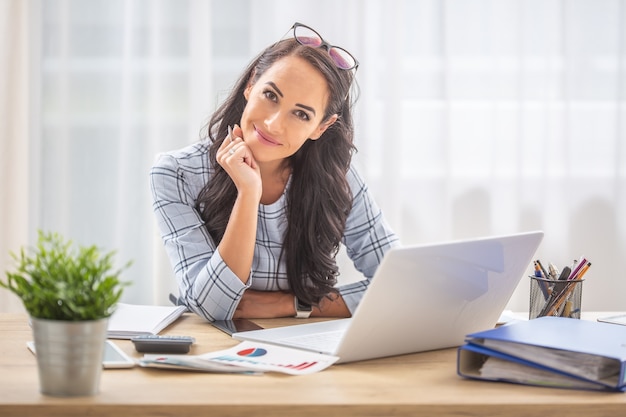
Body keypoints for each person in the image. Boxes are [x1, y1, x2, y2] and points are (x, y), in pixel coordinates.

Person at [150, 22, 399, 322]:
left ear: (321, 127)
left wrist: (289, 305)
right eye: (271, 95)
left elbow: (400, 284)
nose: (273, 124)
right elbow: (212, 307)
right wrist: (248, 193)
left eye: (301, 114)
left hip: (307, 348)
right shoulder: (176, 174)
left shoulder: (337, 177)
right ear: (251, 84)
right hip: (215, 349)